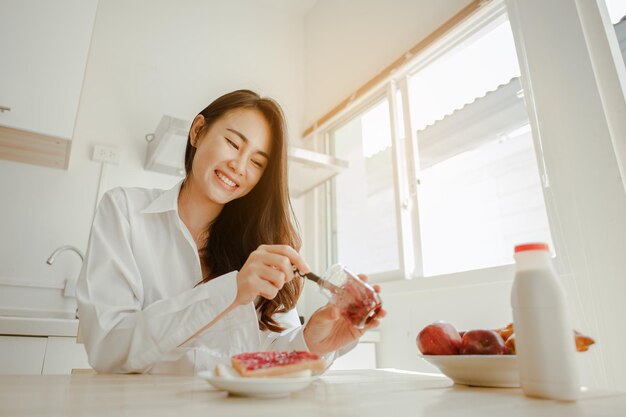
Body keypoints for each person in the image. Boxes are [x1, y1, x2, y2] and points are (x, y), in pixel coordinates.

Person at [76, 89, 385, 375]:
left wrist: (313, 344)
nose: (239, 166)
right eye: (234, 144)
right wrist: (230, 292)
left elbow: (269, 354)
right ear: (198, 131)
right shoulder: (124, 210)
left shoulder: (263, 245)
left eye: (257, 162)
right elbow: (108, 347)